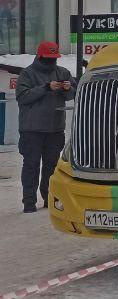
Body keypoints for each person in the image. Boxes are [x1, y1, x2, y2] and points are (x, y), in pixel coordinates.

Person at [15, 41, 76, 213]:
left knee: (52, 167)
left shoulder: (63, 72)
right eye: (48, 58)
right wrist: (46, 88)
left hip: (55, 129)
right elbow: (23, 97)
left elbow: (73, 94)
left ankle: (49, 199)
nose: (51, 61)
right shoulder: (27, 74)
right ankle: (29, 203)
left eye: (54, 58)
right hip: (31, 130)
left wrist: (67, 88)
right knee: (31, 166)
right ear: (40, 57)